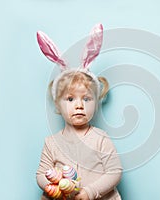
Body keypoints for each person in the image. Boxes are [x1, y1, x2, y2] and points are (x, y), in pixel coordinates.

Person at [36, 24, 123, 200]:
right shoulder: (51, 143)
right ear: (58, 105)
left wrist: (89, 192)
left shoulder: (101, 139)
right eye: (70, 99)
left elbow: (114, 172)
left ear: (96, 103)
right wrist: (53, 186)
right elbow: (40, 174)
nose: (79, 105)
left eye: (86, 99)